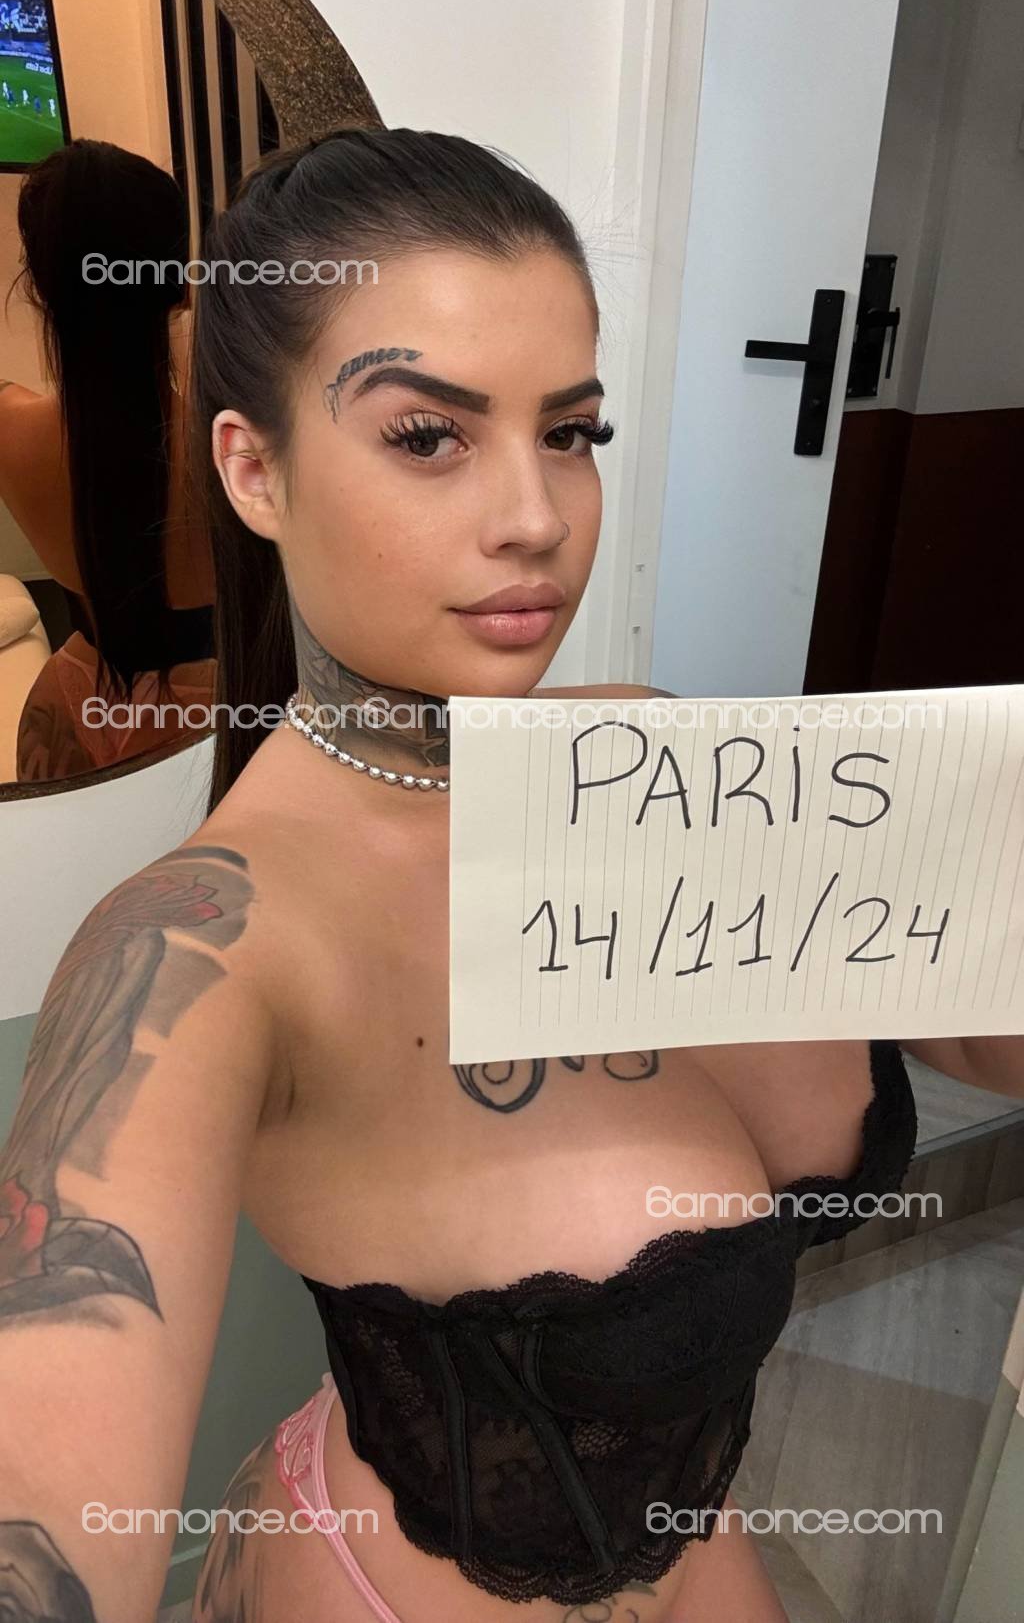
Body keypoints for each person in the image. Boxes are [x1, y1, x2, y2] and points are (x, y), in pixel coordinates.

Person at [0, 126, 1021, 1623]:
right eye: (429, 436)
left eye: (571, 432)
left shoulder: (654, 760)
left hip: (694, 1552)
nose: (536, 515)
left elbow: (993, 1028)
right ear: (254, 470)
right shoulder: (203, 944)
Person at [0, 139, 216, 781]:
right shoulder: (244, 439)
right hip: (227, 721)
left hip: (73, 721)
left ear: (39, 289)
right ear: (179, 285)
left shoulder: (7, 424)